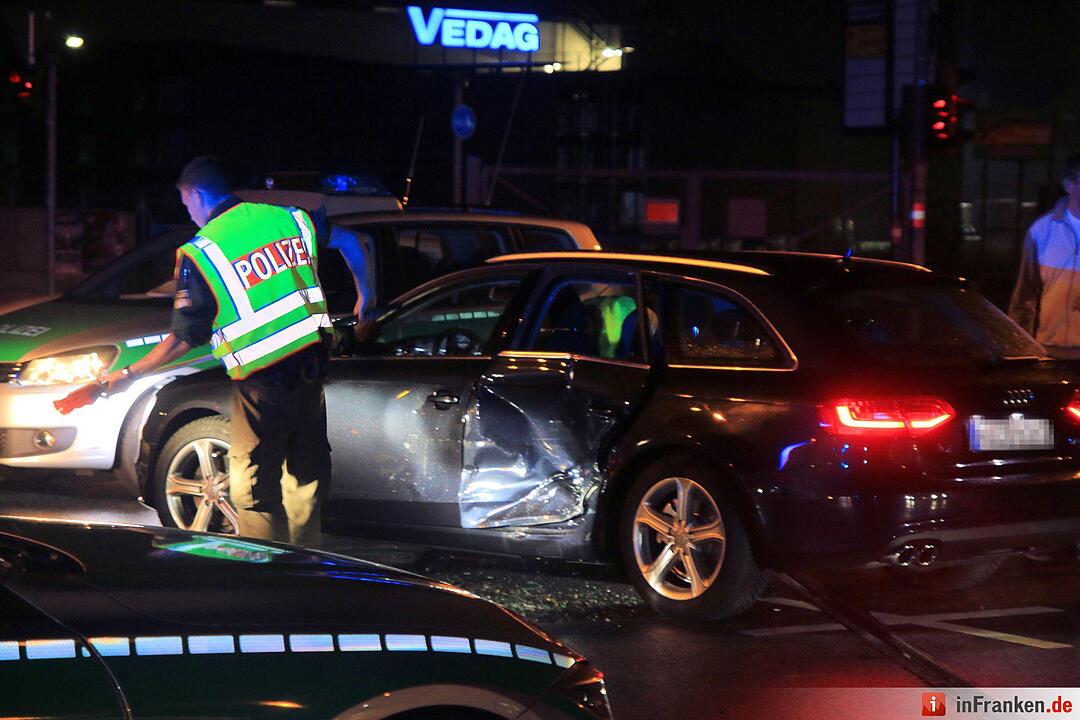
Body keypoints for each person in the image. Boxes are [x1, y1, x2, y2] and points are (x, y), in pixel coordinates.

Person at [99, 156, 333, 547]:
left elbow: (183, 339)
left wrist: (126, 374)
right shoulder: (288, 218)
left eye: (186, 202)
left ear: (195, 193)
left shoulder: (203, 251)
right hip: (312, 373)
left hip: (260, 383)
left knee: (253, 486)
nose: (188, 212)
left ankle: (268, 573)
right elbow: (353, 242)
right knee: (305, 477)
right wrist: (367, 295)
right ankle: (308, 566)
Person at [1009, 151, 1080, 361]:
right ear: (1069, 185)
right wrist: (1020, 347)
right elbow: (1024, 296)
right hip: (1050, 351)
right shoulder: (1042, 230)